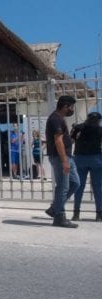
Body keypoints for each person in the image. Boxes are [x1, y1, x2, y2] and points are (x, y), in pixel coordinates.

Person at [45, 95, 80, 228]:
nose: (72, 109)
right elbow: (58, 140)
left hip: (67, 157)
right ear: (65, 106)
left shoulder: (60, 119)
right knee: (63, 187)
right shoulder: (55, 119)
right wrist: (64, 161)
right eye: (71, 107)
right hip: (61, 158)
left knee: (75, 183)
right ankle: (59, 217)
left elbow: (64, 140)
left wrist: (72, 137)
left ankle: (55, 207)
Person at [71, 112, 102, 221]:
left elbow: (71, 139)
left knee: (79, 187)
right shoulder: (100, 129)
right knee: (98, 187)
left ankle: (76, 213)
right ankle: (99, 214)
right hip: (96, 159)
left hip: (80, 158)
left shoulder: (78, 127)